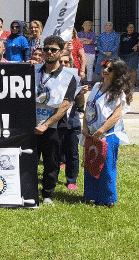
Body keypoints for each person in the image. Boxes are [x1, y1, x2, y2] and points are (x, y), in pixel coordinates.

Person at [34, 36, 78, 205]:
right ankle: (28, 189)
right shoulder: (34, 70)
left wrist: (46, 125)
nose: (49, 52)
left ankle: (47, 194)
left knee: (51, 162)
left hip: (54, 127)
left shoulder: (69, 76)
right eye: (46, 49)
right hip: (33, 124)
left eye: (53, 50)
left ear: (61, 52)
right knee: (29, 160)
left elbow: (65, 105)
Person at [83, 58, 131, 206]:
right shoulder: (97, 86)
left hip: (108, 135)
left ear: (117, 73)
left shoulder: (119, 92)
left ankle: (107, 199)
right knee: (91, 164)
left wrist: (102, 130)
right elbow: (88, 106)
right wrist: (84, 126)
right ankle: (92, 195)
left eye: (110, 69)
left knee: (106, 168)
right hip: (91, 134)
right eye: (105, 67)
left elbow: (117, 115)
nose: (105, 70)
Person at [59, 50, 85, 191]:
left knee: (72, 153)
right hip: (56, 121)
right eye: (61, 62)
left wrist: (81, 95)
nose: (64, 64)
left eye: (66, 62)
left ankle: (71, 180)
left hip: (72, 121)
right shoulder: (51, 78)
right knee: (54, 152)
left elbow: (80, 105)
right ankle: (52, 176)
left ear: (71, 63)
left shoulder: (76, 79)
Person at [118, 23, 139, 88]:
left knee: (132, 69)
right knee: (124, 70)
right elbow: (120, 44)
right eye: (130, 27)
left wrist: (137, 45)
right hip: (123, 54)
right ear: (127, 28)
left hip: (133, 54)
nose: (131, 29)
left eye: (132, 27)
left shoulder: (136, 34)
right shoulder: (123, 35)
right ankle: (125, 83)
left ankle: (132, 84)